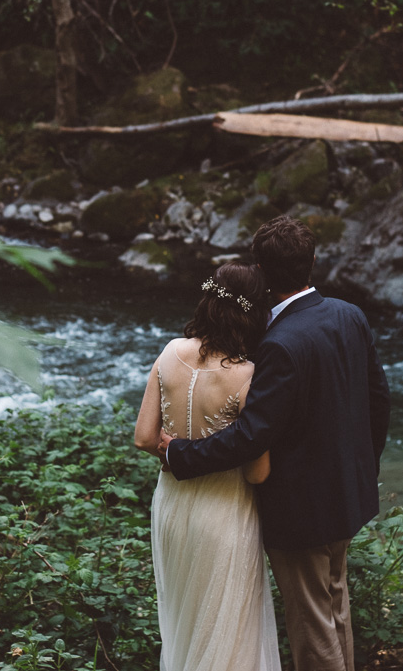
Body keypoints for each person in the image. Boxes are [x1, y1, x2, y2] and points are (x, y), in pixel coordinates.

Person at [158, 216, 391, 671]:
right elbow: (378, 400)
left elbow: (252, 435)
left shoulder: (279, 344)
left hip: (302, 509)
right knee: (335, 606)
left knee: (312, 623)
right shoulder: (349, 315)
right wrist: (365, 466)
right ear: (313, 261)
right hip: (348, 493)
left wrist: (178, 453)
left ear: (260, 270)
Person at [134, 262, 283, 671]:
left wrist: (176, 451)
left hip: (170, 508)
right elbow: (256, 473)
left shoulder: (168, 352)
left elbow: (144, 438)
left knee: (183, 622)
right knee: (227, 632)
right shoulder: (247, 375)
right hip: (224, 516)